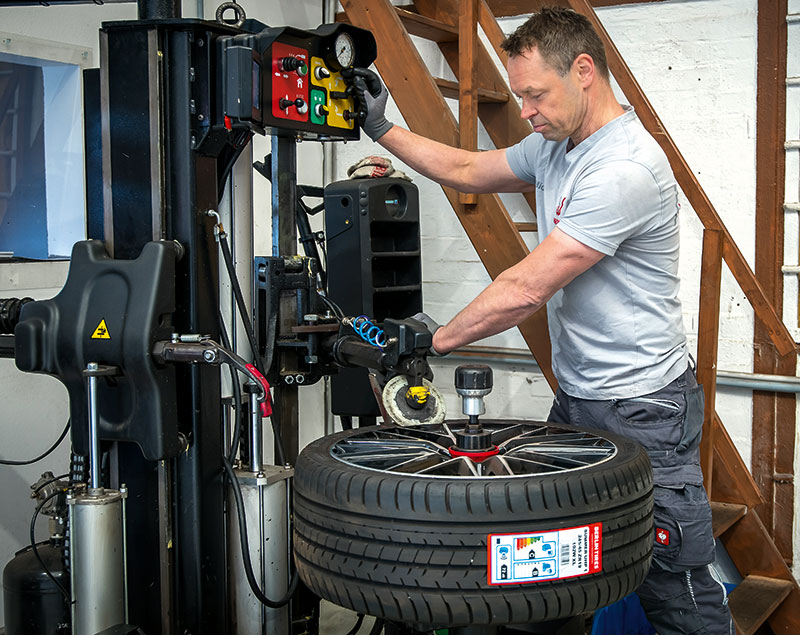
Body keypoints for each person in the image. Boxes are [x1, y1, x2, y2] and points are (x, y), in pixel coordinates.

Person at [346, 6, 733, 635]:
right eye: (520, 94)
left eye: (534, 94)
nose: (524, 109)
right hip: (579, 399)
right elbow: (469, 168)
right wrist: (381, 126)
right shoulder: (556, 143)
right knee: (551, 573)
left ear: (584, 71)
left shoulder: (624, 167)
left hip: (645, 409)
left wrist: (429, 338)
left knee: (675, 587)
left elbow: (526, 288)